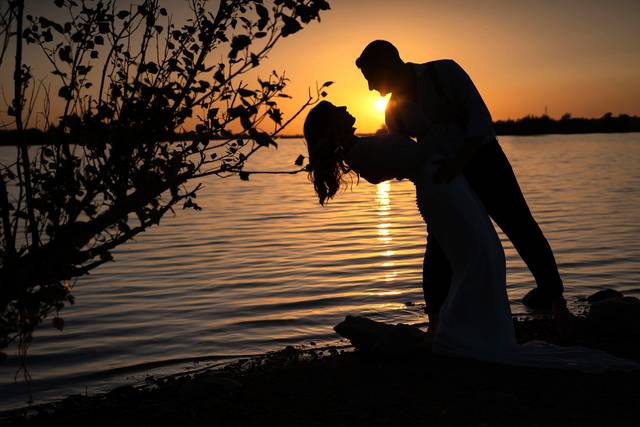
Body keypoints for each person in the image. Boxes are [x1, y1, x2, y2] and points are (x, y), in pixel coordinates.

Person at [303, 100, 637, 371]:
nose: (345, 107)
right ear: (331, 126)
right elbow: (417, 157)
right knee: (479, 256)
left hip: (447, 188)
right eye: (336, 109)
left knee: (481, 255)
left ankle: (470, 329)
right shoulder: (360, 154)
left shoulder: (361, 148)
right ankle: (471, 333)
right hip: (443, 194)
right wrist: (445, 131)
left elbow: (412, 155)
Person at [355, 40, 569, 333]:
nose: (368, 87)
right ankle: (436, 321)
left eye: (369, 76)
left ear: (388, 64)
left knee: (519, 225)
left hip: (485, 161)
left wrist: (459, 161)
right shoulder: (392, 112)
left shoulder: (444, 72)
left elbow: (480, 120)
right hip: (445, 179)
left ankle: (556, 301)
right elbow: (404, 153)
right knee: (438, 244)